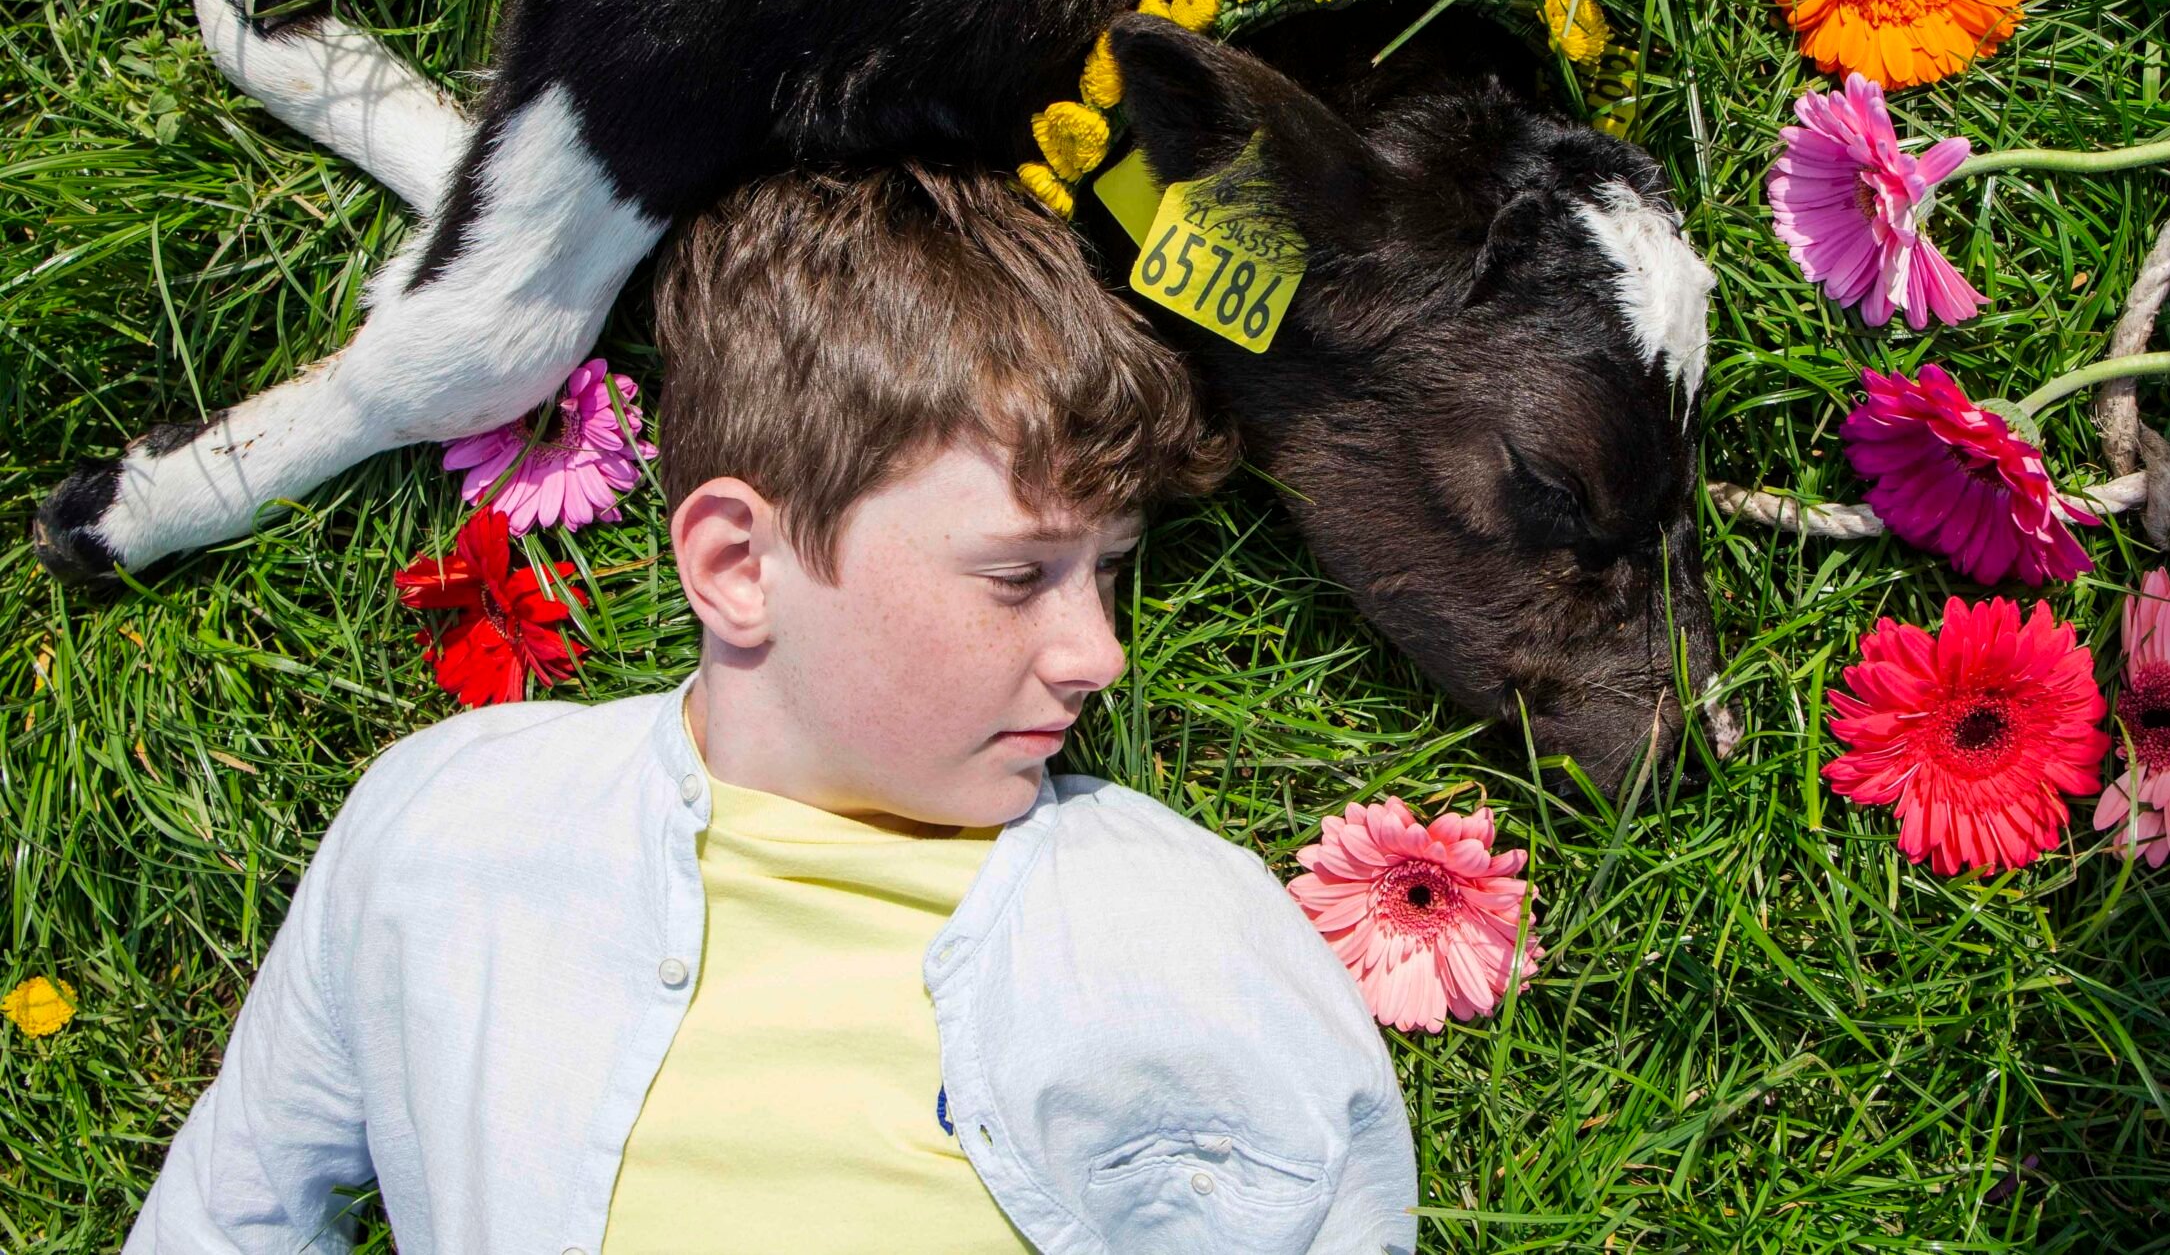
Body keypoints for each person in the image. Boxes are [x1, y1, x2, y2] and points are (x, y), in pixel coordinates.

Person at [128, 166, 1418, 1254]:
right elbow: (225, 1217)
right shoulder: (452, 827)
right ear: (741, 568)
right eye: (1021, 575)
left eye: (1109, 573)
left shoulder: (1195, 929)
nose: (1100, 654)